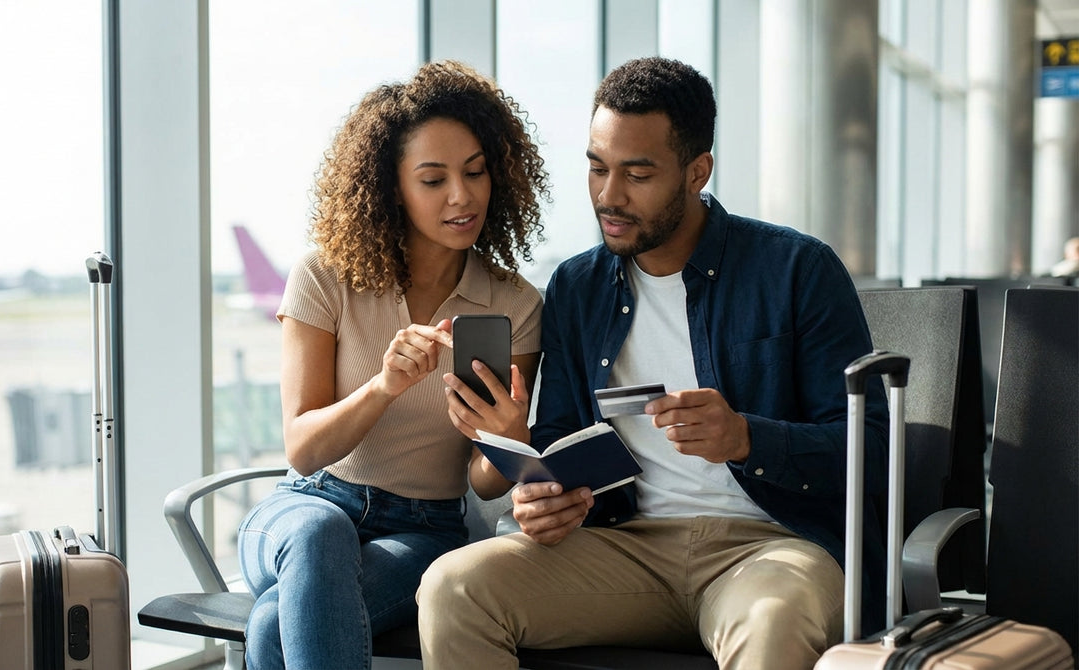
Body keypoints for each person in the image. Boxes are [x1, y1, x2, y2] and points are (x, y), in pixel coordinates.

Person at [418, 56, 890, 670]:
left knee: (773, 621)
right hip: (624, 547)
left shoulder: (796, 269)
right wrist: (544, 496)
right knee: (454, 589)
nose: (608, 196)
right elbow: (560, 440)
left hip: (770, 548)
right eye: (596, 168)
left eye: (637, 174)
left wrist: (748, 438)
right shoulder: (577, 286)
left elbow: (873, 448)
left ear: (697, 172)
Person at [237, 60, 550, 670]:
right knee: (317, 536)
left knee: (277, 625)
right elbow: (303, 449)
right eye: (433, 180)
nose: (462, 196)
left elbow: (484, 480)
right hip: (307, 505)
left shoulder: (515, 304)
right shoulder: (325, 277)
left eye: (476, 173)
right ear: (391, 188)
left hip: (423, 528)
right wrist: (383, 387)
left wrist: (510, 440)